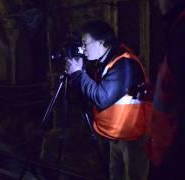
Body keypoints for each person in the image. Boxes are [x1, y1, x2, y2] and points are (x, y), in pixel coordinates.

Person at [65, 20, 151, 180]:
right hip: (117, 135)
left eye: (85, 43)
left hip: (133, 138)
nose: (83, 49)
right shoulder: (107, 60)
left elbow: (101, 97)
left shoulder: (124, 64)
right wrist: (80, 71)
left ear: (102, 42)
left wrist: (77, 74)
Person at [146, 0, 185, 179]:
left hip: (172, 158)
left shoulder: (180, 34)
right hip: (165, 151)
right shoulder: (175, 30)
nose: (156, 3)